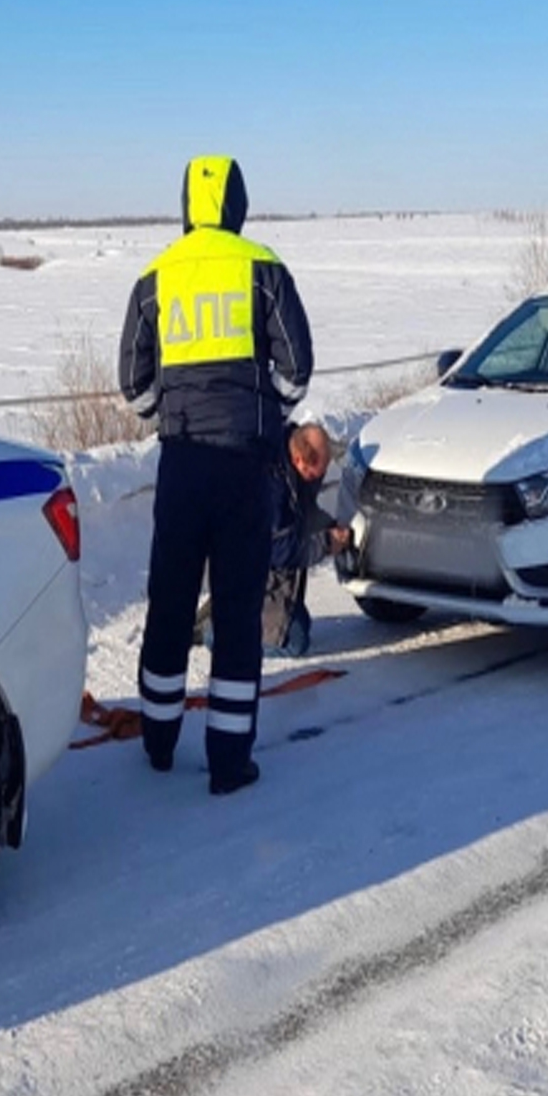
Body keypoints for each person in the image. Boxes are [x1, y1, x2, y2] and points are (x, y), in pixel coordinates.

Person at [119, 155, 314, 797]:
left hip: (181, 461)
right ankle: (230, 761)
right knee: (235, 610)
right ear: (237, 205)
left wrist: (170, 418)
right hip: (242, 464)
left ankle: (158, 741)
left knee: (170, 601)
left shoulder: (154, 277)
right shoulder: (261, 267)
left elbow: (134, 383)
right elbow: (297, 369)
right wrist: (265, 416)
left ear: (186, 205)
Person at [194, 422, 350, 658]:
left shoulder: (290, 460)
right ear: (299, 460)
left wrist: (329, 527)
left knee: (299, 624)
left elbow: (305, 513)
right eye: (316, 473)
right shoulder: (271, 484)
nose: (319, 478)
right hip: (246, 565)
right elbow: (277, 548)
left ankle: (229, 612)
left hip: (262, 564)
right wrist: (325, 543)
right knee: (295, 642)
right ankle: (216, 631)